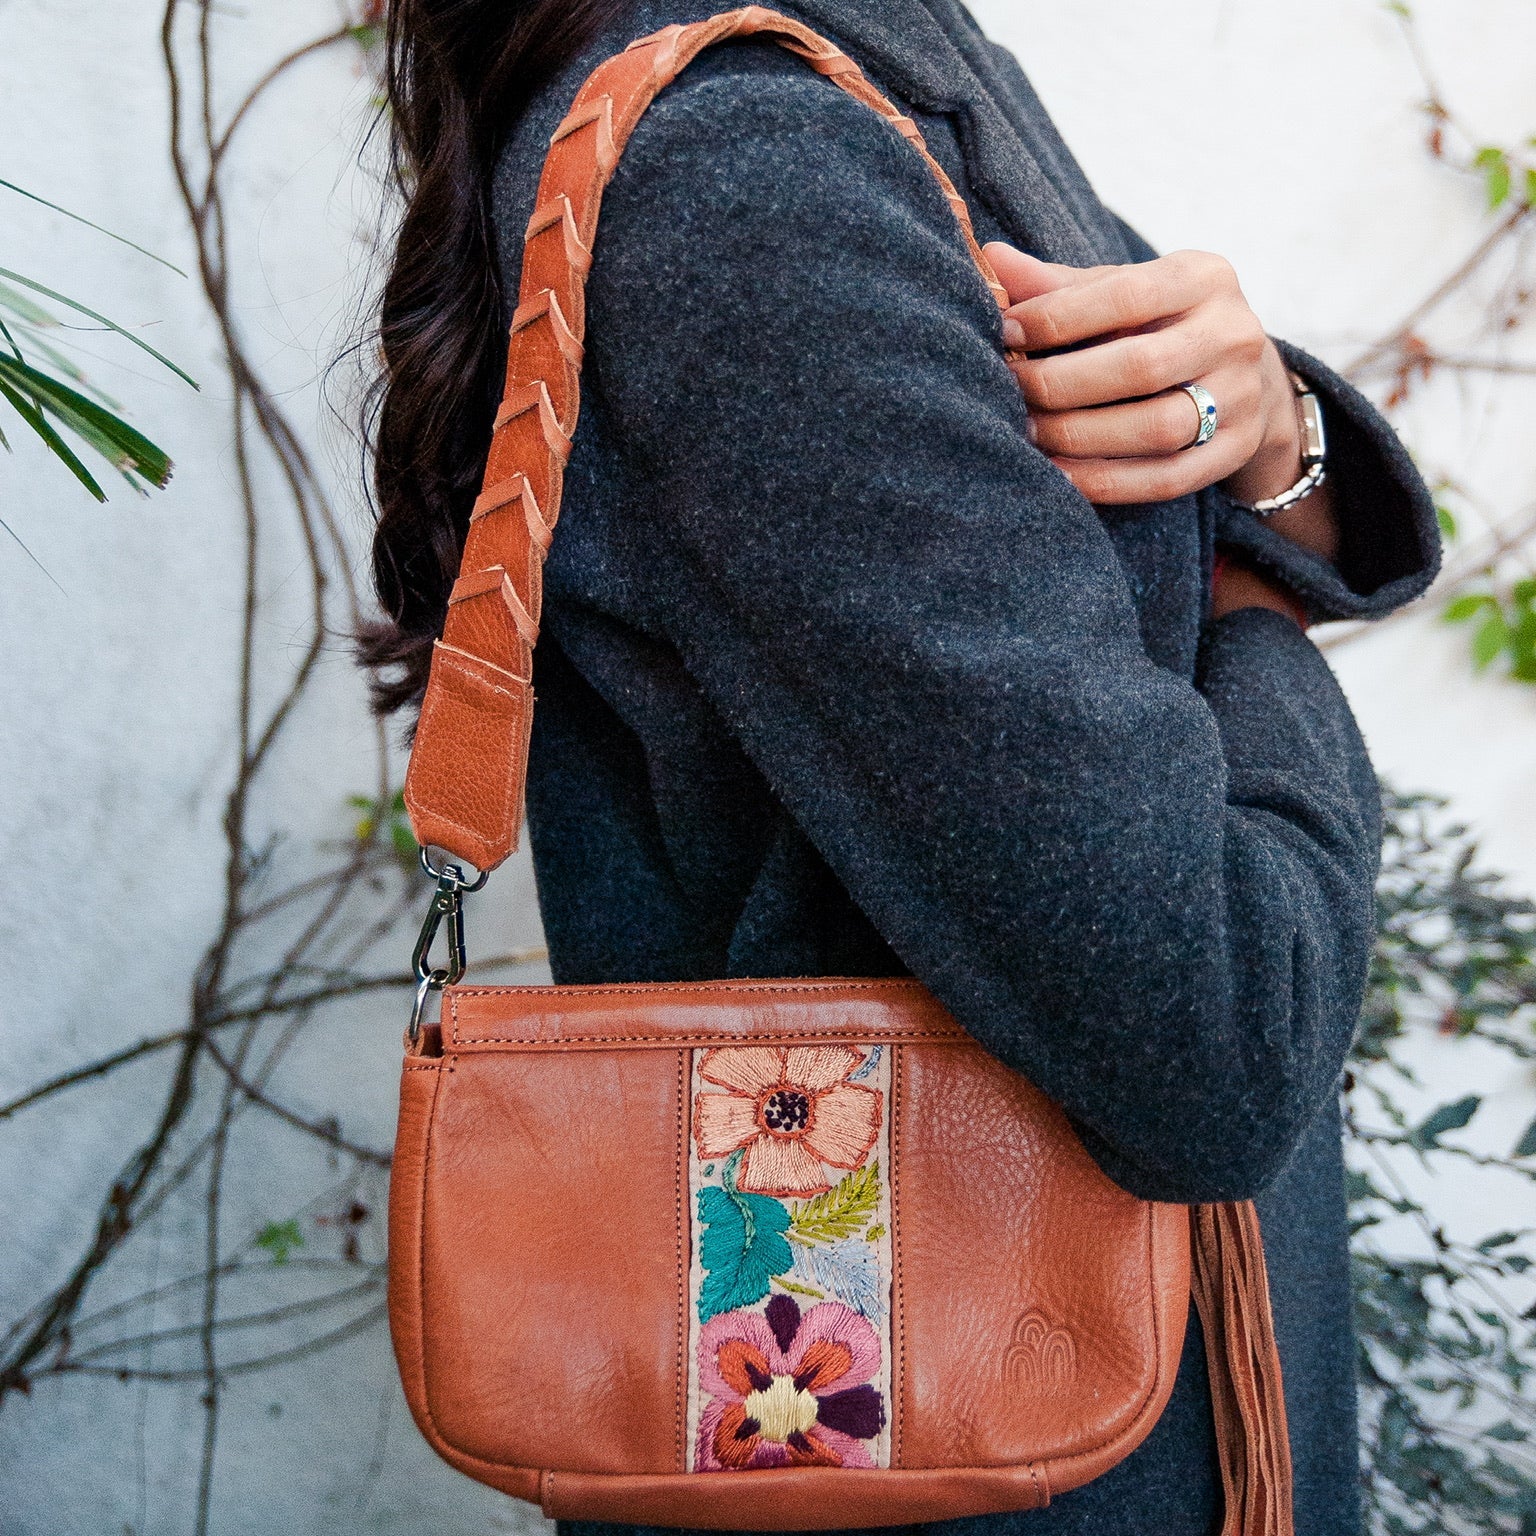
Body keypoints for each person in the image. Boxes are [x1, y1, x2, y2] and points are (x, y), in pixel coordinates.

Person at [362, 0, 1440, 1531]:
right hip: (1001, 1452)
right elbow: (1221, 1026)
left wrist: (1274, 443)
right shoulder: (757, 161)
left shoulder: (878, 70)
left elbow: (1205, 463)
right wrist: (1255, 605)